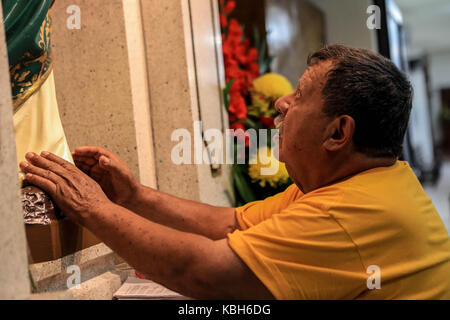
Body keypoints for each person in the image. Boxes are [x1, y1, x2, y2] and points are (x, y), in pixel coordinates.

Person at [19, 45, 450, 299]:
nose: (282, 103)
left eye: (299, 96)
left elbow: (203, 270)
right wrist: (133, 197)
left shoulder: (355, 212)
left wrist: (91, 207)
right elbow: (228, 224)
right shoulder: (356, 181)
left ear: (338, 132)